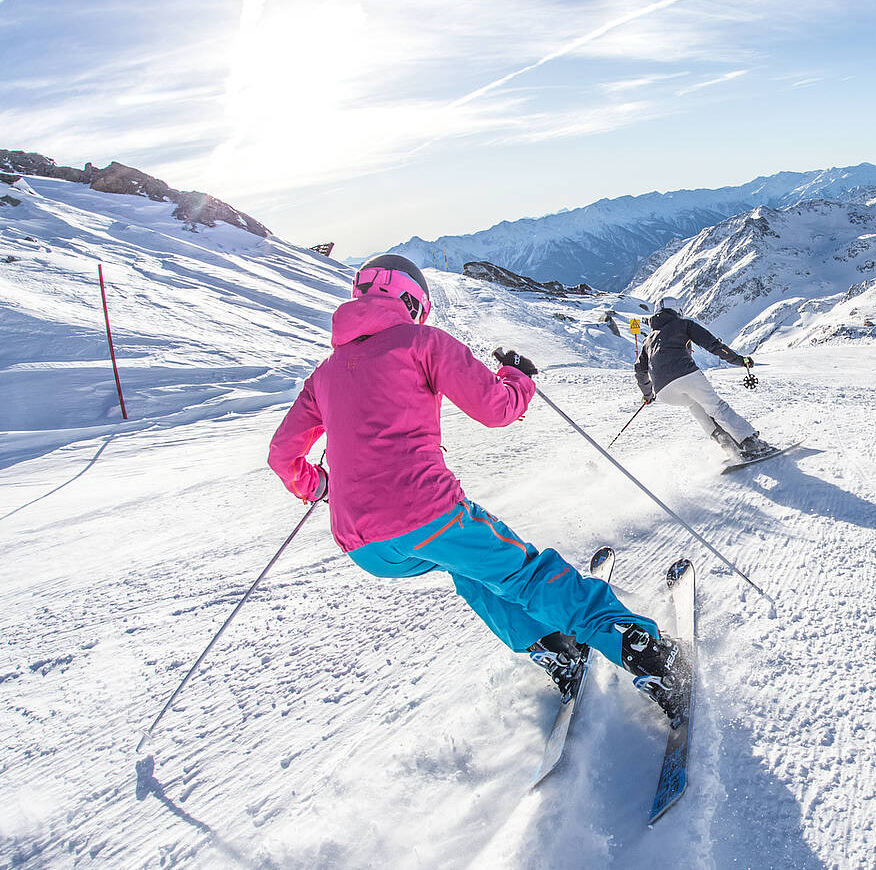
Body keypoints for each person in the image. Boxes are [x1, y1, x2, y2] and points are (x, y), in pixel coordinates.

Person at [268, 254, 685, 716]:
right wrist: (518, 378)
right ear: (412, 300)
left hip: (365, 548)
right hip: (427, 515)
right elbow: (495, 409)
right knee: (528, 574)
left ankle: (553, 647)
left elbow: (282, 455)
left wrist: (320, 486)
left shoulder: (324, 374)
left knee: (468, 568)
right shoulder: (422, 342)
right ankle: (645, 652)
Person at [633, 303, 774, 460]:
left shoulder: (647, 341)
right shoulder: (683, 324)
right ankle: (751, 444)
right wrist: (740, 360)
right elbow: (713, 345)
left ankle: (729, 445)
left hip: (664, 392)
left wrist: (647, 395)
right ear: (677, 311)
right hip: (686, 375)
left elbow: (640, 370)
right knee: (716, 407)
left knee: (695, 405)